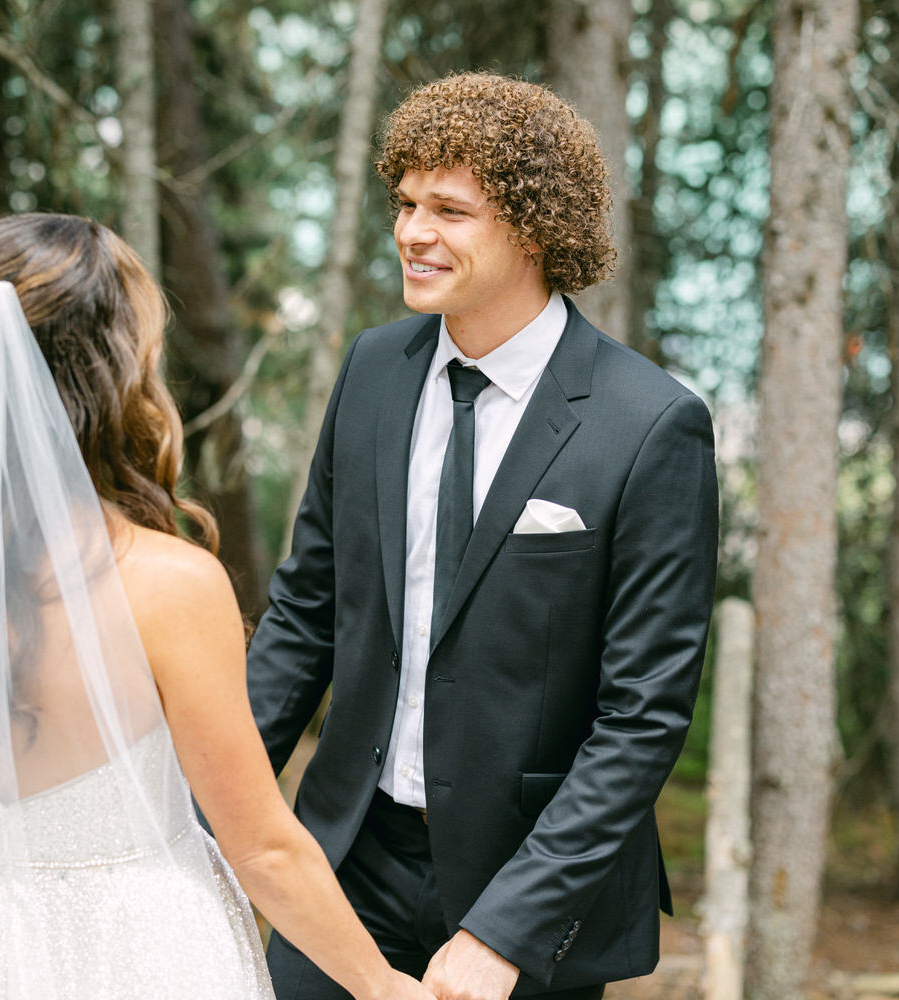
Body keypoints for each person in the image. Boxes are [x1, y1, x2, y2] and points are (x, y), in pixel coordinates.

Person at [0, 214, 434, 1000]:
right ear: (110, 371)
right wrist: (382, 986)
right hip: (143, 948)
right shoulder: (167, 583)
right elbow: (261, 845)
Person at [247, 73, 719, 1000]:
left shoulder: (652, 425)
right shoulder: (374, 370)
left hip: (533, 892)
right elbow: (305, 614)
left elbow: (641, 717)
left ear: (536, 227)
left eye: (450, 211)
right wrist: (204, 810)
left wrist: (506, 929)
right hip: (347, 861)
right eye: (407, 203)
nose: (413, 232)